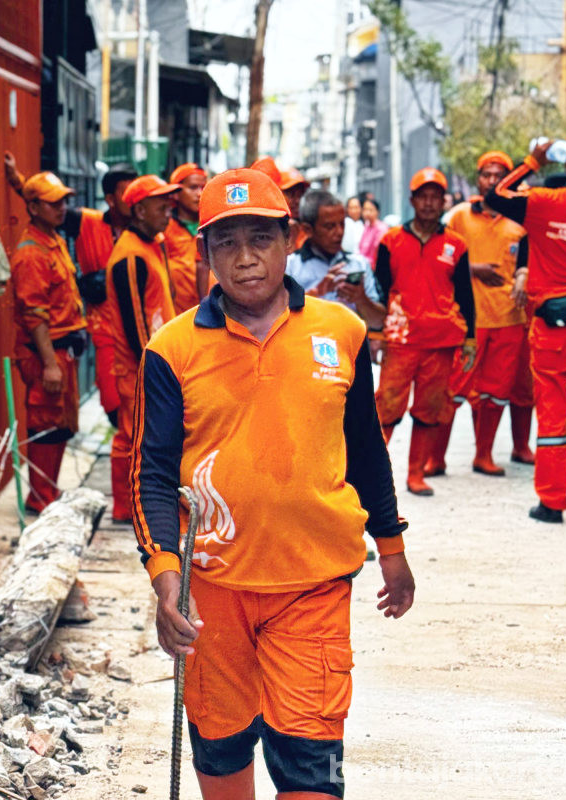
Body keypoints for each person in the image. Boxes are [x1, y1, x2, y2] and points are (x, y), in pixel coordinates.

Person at [132, 168, 413, 800]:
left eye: (260, 237)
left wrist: (392, 550)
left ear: (289, 240)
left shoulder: (341, 333)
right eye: (226, 242)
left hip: (312, 582)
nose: (245, 258)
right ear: (204, 254)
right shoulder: (171, 350)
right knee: (222, 741)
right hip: (212, 592)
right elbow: (151, 474)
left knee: (309, 755)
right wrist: (166, 580)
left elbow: (366, 453)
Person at [486, 130, 566, 523]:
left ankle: (552, 503)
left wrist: (533, 161)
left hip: (555, 327)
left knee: (555, 417)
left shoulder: (546, 203)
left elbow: (496, 195)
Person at [4, 153, 137, 426]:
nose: (132, 201)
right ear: (110, 200)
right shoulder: (88, 224)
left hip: (139, 336)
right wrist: (18, 182)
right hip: (104, 335)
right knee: (116, 412)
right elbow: (45, 205)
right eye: (126, 194)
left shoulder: (149, 235)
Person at [427, 151, 534, 477]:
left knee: (496, 393)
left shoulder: (521, 219)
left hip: (508, 318)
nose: (491, 180)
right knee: (452, 390)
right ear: (478, 179)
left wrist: (523, 275)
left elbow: (531, 261)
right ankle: (436, 458)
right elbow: (435, 257)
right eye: (486, 175)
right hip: (467, 320)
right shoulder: (458, 217)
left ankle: (484, 455)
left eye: (498, 175)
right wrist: (472, 268)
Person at [373, 167, 477, 496]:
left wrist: (470, 337)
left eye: (435, 197)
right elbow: (379, 290)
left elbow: (465, 295)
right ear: (412, 200)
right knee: (386, 407)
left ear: (443, 201)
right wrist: (376, 336)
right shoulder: (390, 241)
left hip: (442, 342)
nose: (429, 203)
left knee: (430, 409)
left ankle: (416, 474)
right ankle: (375, 474)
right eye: (423, 196)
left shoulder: (456, 245)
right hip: (401, 340)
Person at [9, 172, 88, 513]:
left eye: (63, 201)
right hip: (47, 354)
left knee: (60, 425)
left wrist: (16, 178)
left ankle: (49, 494)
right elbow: (34, 314)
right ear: (34, 207)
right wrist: (50, 365)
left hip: (61, 352)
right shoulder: (31, 254)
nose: (62, 208)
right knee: (45, 424)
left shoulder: (51, 239)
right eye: (54, 203)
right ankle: (40, 498)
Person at [104, 174, 179, 522]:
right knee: (133, 437)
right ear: (139, 209)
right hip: (139, 365)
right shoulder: (130, 256)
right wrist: (151, 366)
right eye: (159, 203)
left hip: (156, 360)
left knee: (150, 437)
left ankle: (142, 504)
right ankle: (125, 508)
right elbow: (134, 321)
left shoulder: (154, 243)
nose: (168, 208)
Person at [286, 188, 387, 331]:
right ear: (308, 229)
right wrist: (315, 293)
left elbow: (378, 322)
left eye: (342, 224)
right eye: (329, 226)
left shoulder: (359, 265)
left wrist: (361, 299)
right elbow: (275, 318)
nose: (339, 232)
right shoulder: (290, 267)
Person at [163, 163, 211, 311]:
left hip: (212, 309)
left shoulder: (211, 226)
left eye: (203, 188)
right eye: (193, 187)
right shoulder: (164, 229)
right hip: (176, 313)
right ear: (176, 193)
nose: (199, 194)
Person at [357, 196, 387, 266]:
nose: (367, 213)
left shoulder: (381, 228)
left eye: (371, 210)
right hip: (363, 263)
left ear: (377, 212)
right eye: (365, 210)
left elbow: (377, 252)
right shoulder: (366, 225)